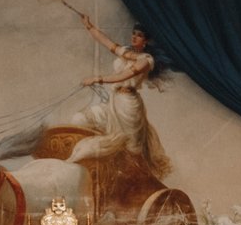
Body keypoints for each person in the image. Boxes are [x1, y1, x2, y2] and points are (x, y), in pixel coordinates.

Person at [68, 14, 173, 176]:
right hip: (114, 101)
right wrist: (89, 26)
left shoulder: (146, 60)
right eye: (134, 33)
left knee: (131, 149)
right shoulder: (126, 52)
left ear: (146, 41)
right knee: (79, 119)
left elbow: (124, 76)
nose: (134, 37)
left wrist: (97, 79)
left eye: (139, 35)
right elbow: (105, 41)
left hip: (129, 107)